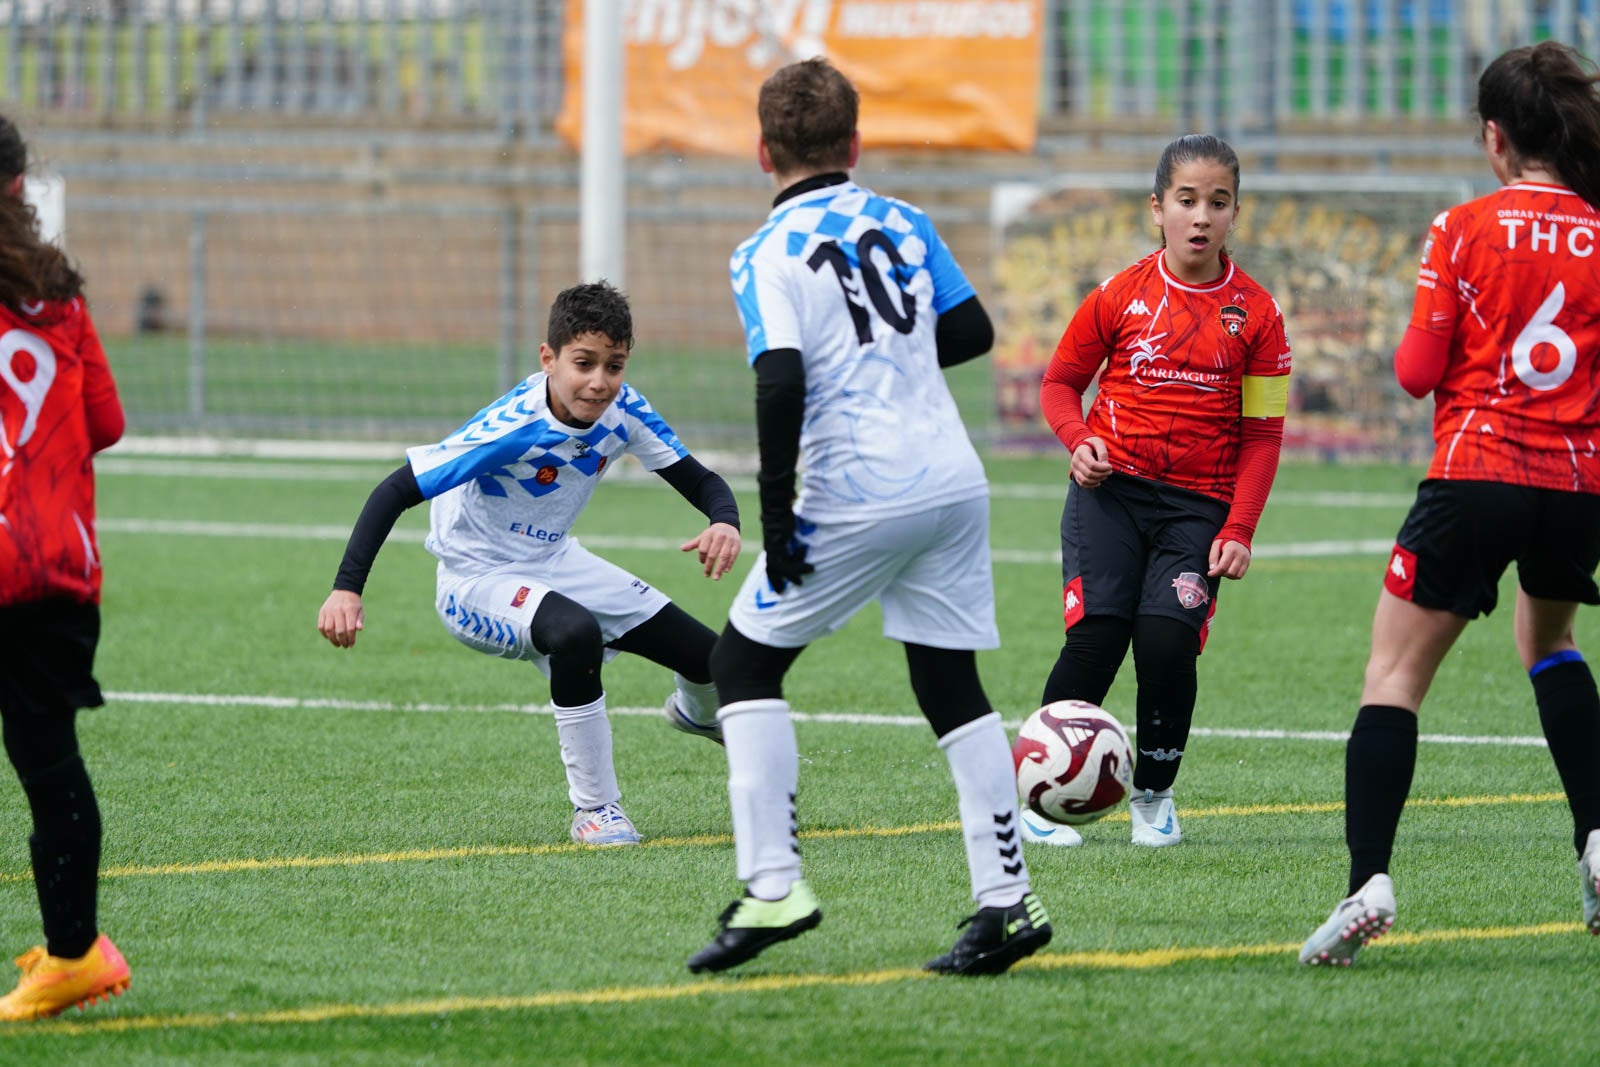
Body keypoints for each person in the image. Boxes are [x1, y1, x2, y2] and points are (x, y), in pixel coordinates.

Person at [686, 57, 1051, 977]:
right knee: (948, 684)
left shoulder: (761, 252)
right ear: (855, 143)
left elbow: (780, 377)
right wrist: (886, 346)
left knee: (741, 662)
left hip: (857, 486)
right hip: (952, 480)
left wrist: (776, 512)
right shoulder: (905, 218)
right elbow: (972, 332)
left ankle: (774, 886)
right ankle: (1007, 903)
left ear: (761, 151)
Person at [1301, 40, 1600, 966]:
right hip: (1580, 486)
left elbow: (1416, 371)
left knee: (1393, 680)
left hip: (1476, 473)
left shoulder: (1462, 228)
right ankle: (1596, 840)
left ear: (1495, 138)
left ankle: (1368, 882)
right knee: (1549, 642)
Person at [317, 281, 741, 847]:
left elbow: (702, 480)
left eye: (613, 366)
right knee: (575, 633)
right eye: (583, 363)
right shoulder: (514, 427)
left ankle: (696, 714)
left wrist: (724, 521)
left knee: (711, 660)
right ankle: (596, 810)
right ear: (549, 358)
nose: (599, 381)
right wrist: (346, 589)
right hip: (475, 579)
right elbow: (394, 490)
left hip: (554, 559)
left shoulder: (624, 410)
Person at [1037, 134, 1292, 849]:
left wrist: (1238, 528)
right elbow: (1059, 385)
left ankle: (1153, 795)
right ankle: (1040, 794)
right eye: (1186, 201)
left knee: (1165, 642)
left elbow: (1264, 434)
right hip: (1110, 492)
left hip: (1197, 506)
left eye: (1217, 202)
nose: (1200, 216)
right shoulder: (1119, 294)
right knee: (1097, 635)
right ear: (1158, 209)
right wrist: (1076, 440)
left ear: (1236, 212)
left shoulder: (1260, 316)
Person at [0, 115, 132, 1021]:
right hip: (59, 565)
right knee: (48, 756)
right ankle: (76, 951)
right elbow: (107, 422)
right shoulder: (59, 293)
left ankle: (76, 955)